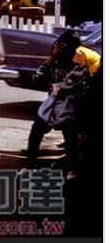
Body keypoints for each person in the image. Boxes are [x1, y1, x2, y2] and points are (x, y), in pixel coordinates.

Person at [24, 30, 102, 174]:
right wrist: (51, 58)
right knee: (38, 131)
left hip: (69, 108)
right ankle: (30, 164)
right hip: (55, 107)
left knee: (70, 137)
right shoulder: (55, 63)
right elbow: (37, 79)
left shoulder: (79, 63)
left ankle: (72, 169)